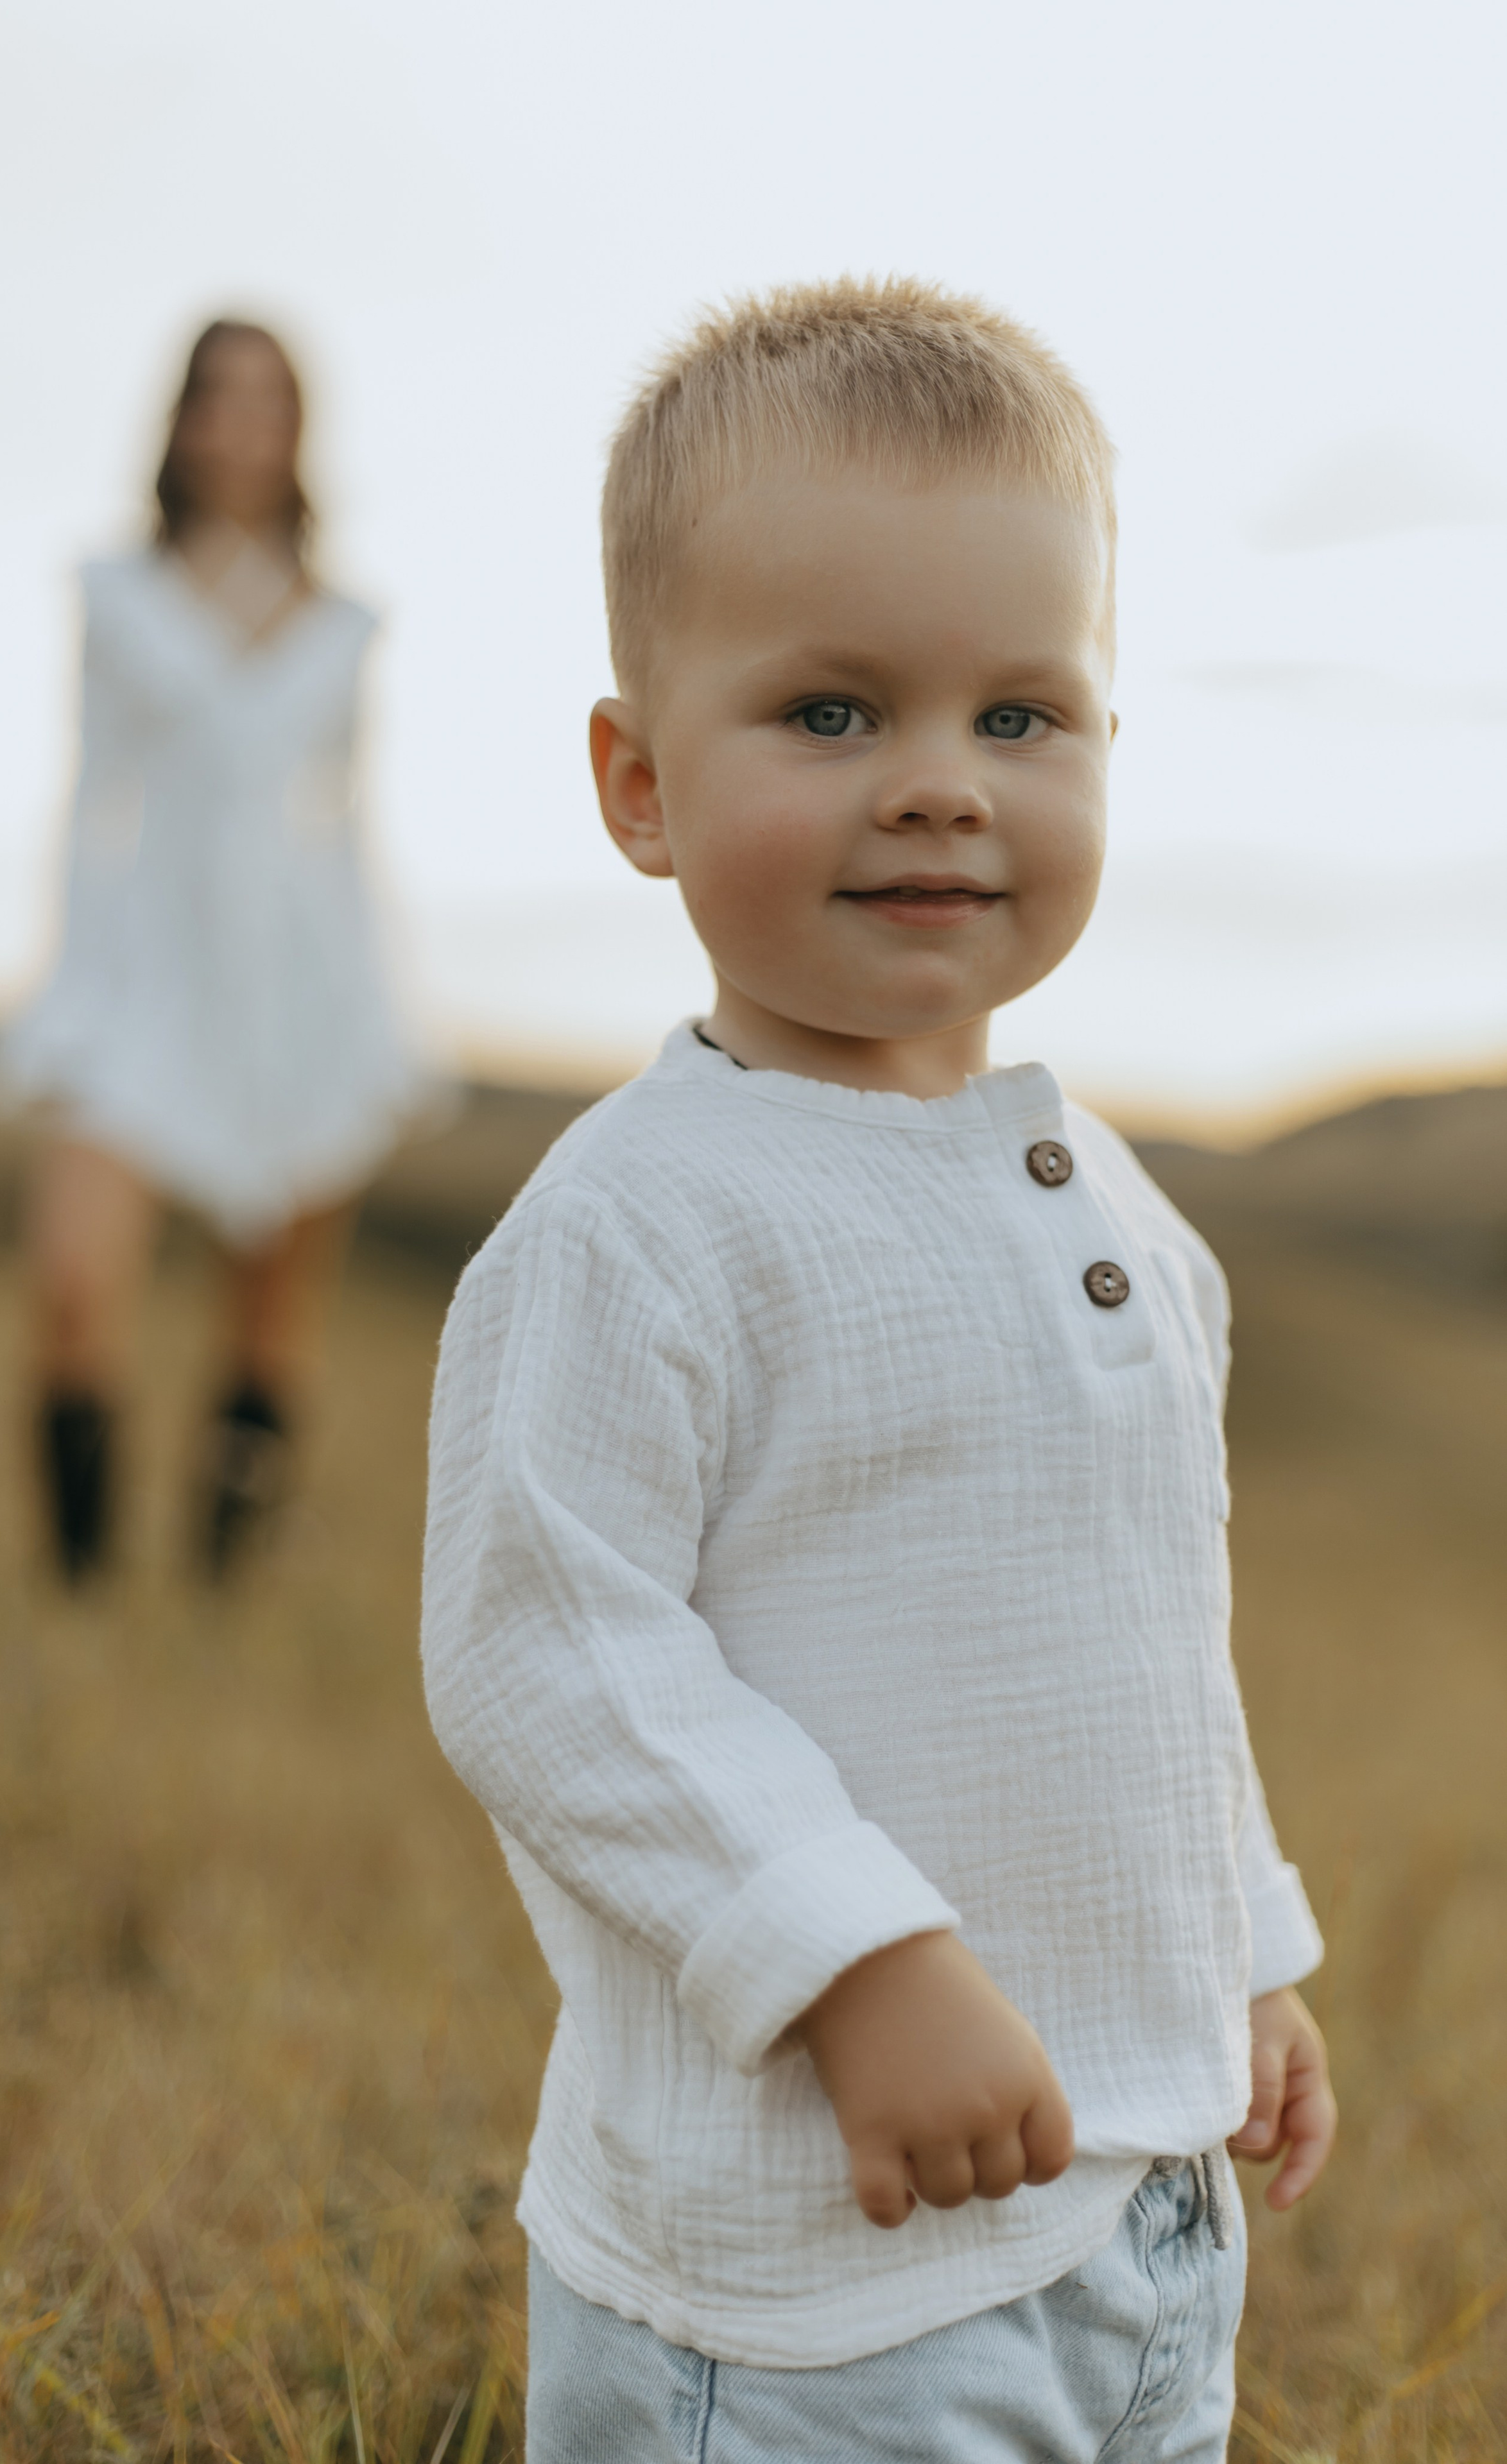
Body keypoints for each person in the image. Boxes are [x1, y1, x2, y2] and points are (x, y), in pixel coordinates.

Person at [420, 278, 1336, 2461]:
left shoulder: (1120, 1210)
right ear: (642, 786)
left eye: (1022, 718)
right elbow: (549, 1654)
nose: (939, 787)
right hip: (810, 2299)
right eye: (833, 715)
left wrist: (1244, 1948)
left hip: (1136, 2236)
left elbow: (1143, 1650)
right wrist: (853, 1960)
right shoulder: (647, 1219)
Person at [0, 318, 424, 1582]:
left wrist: (374, 1009)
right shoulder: (116, 593)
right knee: (74, 1292)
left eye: (266, 400)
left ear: (298, 431)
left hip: (297, 984)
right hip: (139, 977)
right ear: (180, 421)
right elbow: (90, 796)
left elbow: (347, 829)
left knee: (268, 1325)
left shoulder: (344, 624)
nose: (238, 423)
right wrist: (71, 978)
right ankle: (80, 1589)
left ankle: (215, 1596)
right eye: (215, 397)